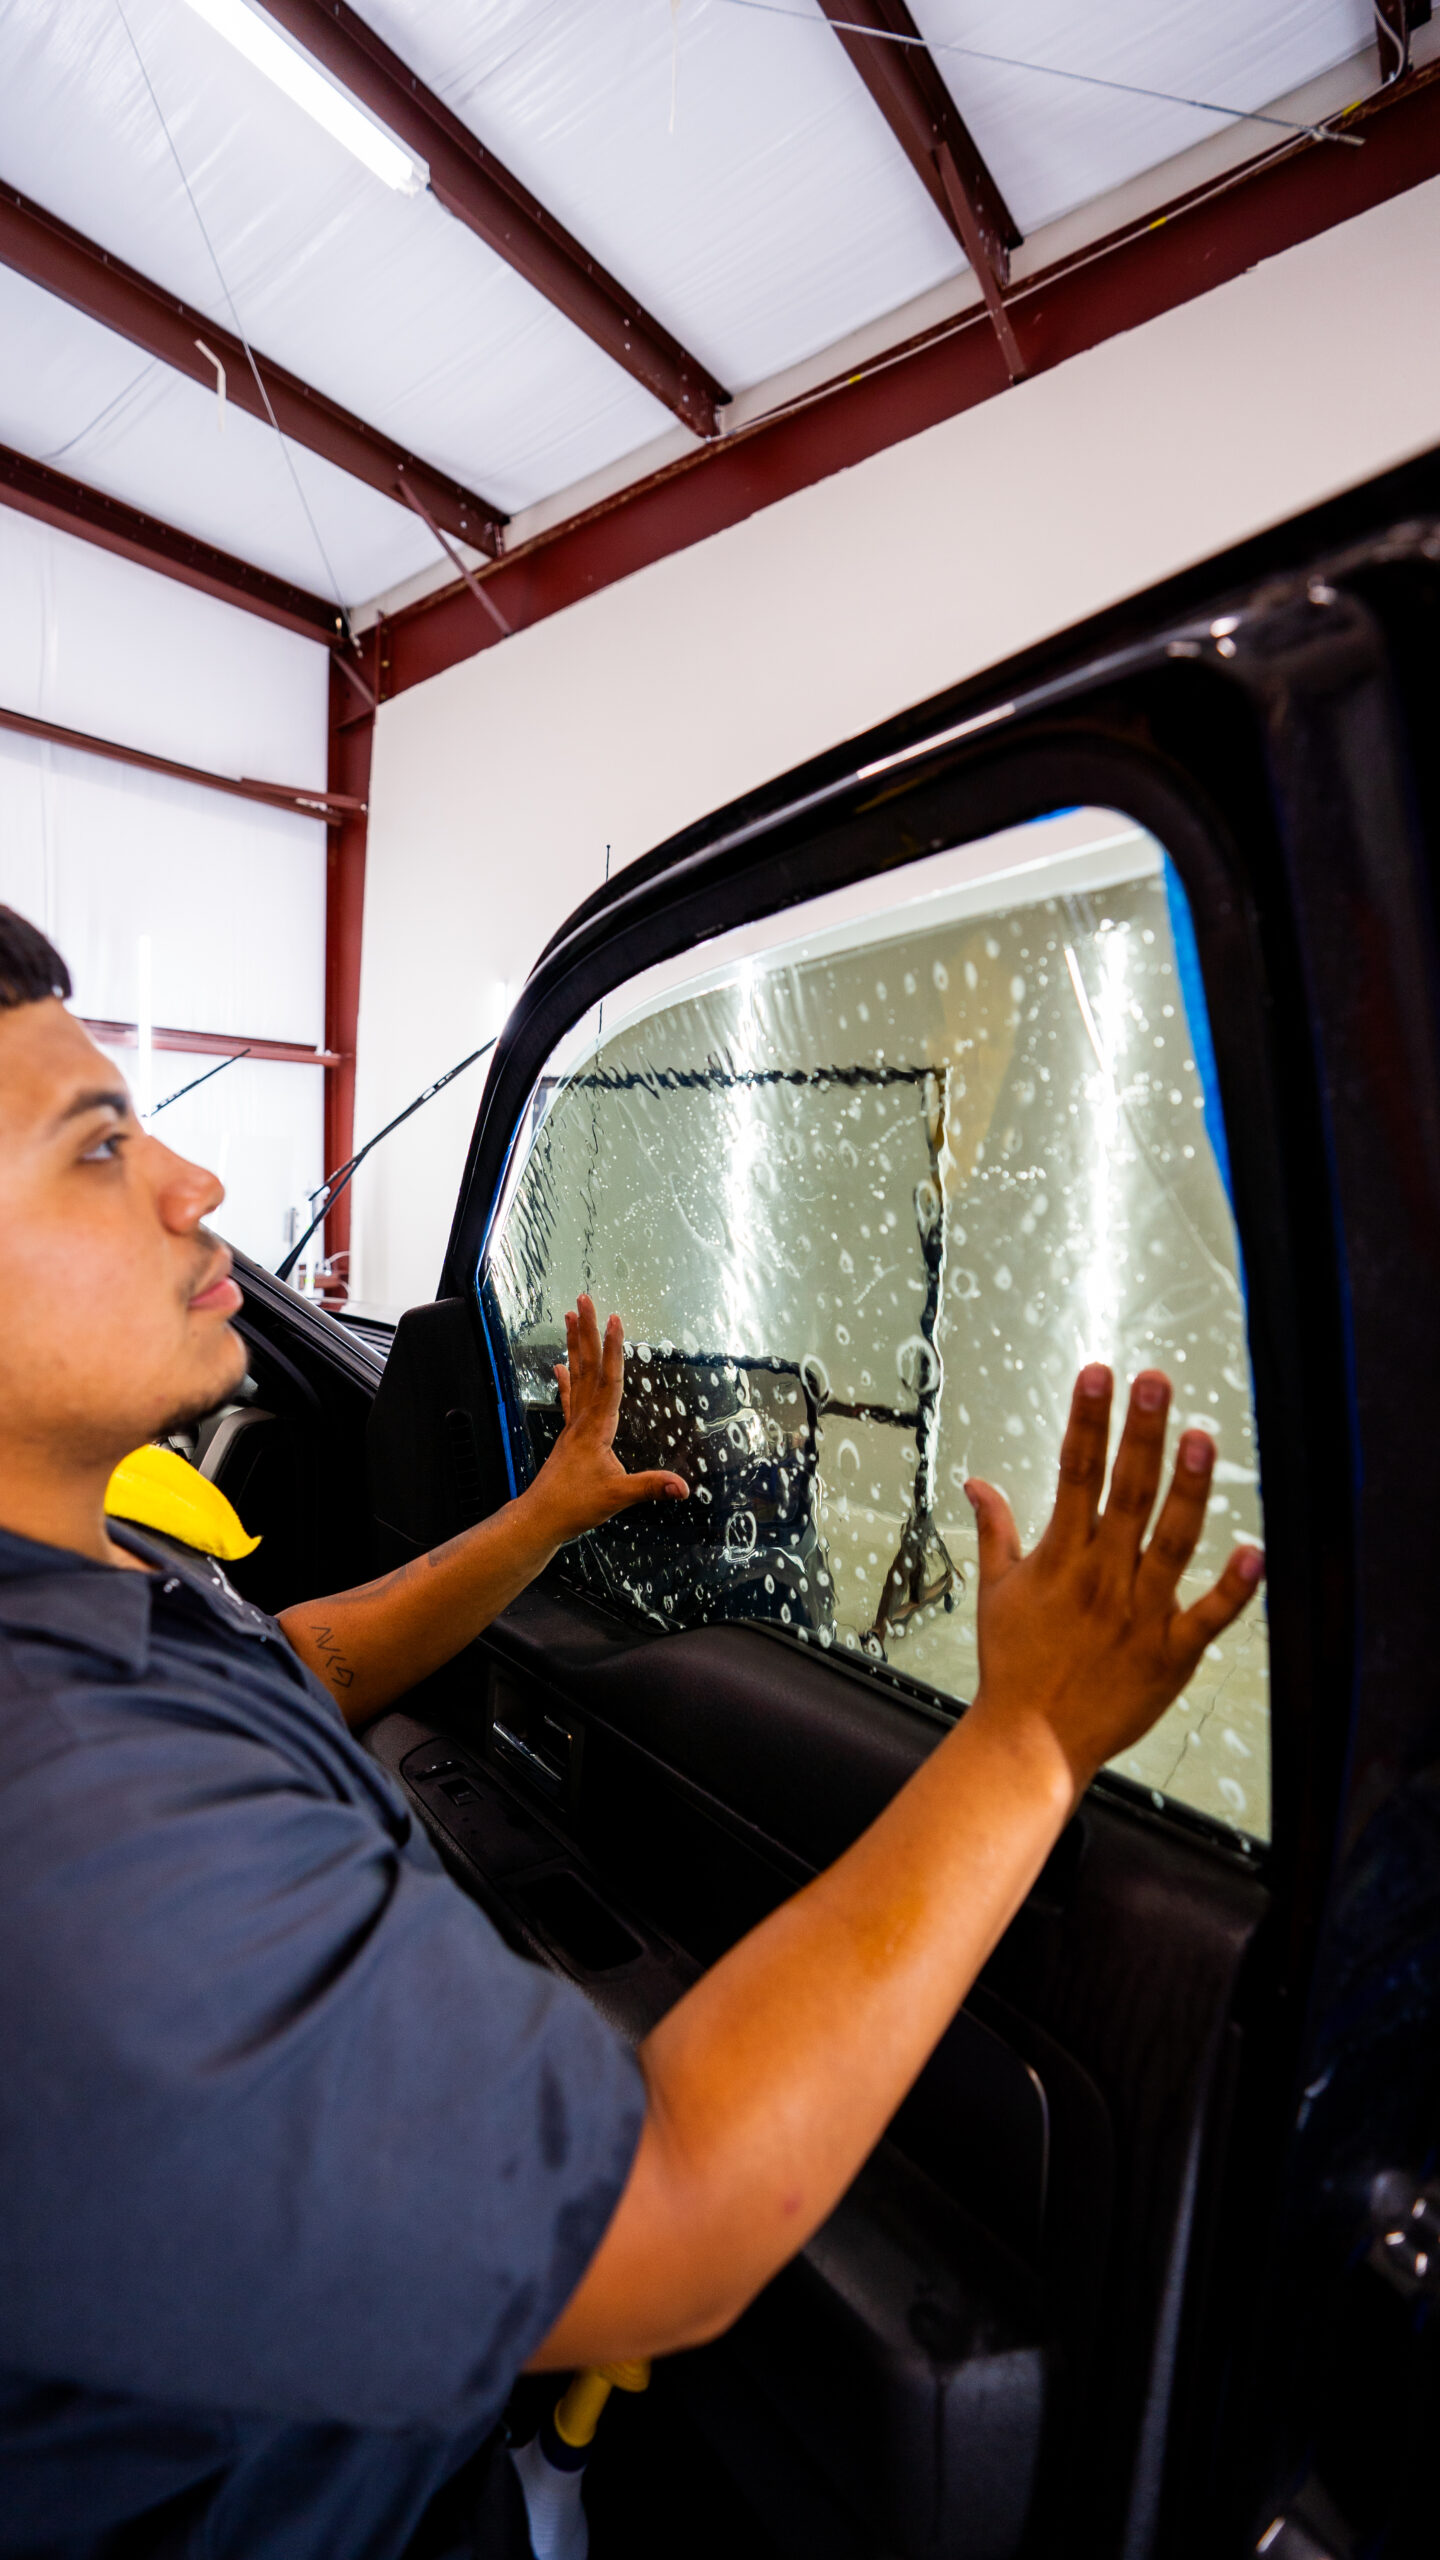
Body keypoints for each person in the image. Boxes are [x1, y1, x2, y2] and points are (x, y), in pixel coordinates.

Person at [0, 903, 1263, 2558]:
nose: (195, 1186)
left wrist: (544, 1516)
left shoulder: (86, 1574)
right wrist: (1028, 1742)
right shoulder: (82, 1830)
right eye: (97, 1149)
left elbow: (292, 1661)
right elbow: (668, 2209)